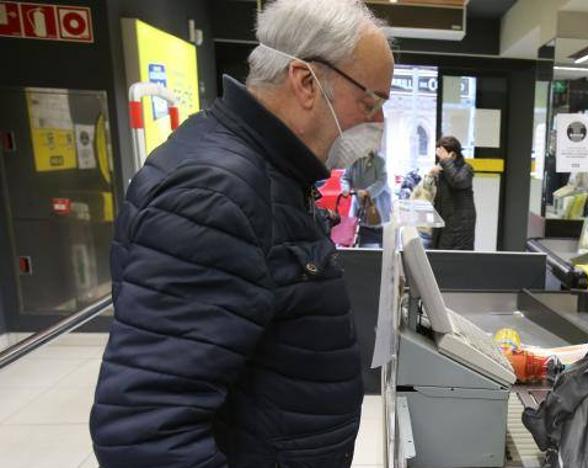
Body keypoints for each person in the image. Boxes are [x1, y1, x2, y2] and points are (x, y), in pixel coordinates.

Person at [89, 1, 394, 466]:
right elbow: (146, 431)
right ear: (306, 81)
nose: (377, 123)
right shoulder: (219, 193)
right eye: (370, 102)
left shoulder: (268, 171)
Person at [430, 135, 476, 250]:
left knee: (454, 261)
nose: (440, 159)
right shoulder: (444, 170)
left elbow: (458, 182)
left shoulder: (467, 169)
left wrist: (446, 161)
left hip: (459, 227)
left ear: (453, 155)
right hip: (445, 223)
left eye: (442, 155)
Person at [342, 150, 392, 247]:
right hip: (361, 214)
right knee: (365, 251)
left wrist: (368, 192)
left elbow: (382, 180)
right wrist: (345, 188)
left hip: (379, 212)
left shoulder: (379, 161)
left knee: (383, 251)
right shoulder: (353, 161)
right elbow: (345, 178)